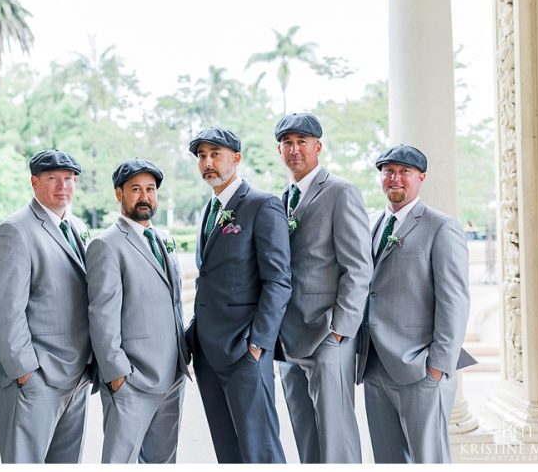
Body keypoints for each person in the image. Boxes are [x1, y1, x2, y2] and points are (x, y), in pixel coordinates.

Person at [356, 144, 476, 463]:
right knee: (388, 459)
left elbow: (455, 300)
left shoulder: (441, 226)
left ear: (421, 177)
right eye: (388, 172)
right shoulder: (372, 224)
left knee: (429, 459)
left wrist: (438, 366)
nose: (395, 179)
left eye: (404, 172)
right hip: (374, 365)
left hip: (421, 368)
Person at [184, 127, 292, 463]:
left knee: (260, 450)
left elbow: (278, 280)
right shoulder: (209, 209)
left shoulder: (263, 205)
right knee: (227, 451)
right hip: (207, 351)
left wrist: (258, 342)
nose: (208, 162)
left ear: (236, 158)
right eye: (202, 156)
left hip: (244, 351)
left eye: (215, 154)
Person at [273, 113, 372, 463]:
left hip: (328, 335)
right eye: (287, 143)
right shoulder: (282, 198)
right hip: (288, 338)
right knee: (305, 434)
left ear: (318, 147)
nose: (294, 149)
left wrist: (340, 330)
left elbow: (358, 268)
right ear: (279, 150)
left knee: (336, 436)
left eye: (302, 142)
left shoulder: (341, 192)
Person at [0, 149, 94, 463]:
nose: (63, 186)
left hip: (76, 376)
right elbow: (6, 310)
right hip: (36, 378)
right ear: (34, 182)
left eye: (69, 179)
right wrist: (25, 373)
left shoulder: (76, 227)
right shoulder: (15, 231)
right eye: (52, 179)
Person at [86, 158, 191, 463]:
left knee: (163, 461)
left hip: (172, 375)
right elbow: (101, 315)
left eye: (150, 189)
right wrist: (118, 375)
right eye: (135, 189)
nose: (145, 196)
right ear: (119, 194)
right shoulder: (107, 245)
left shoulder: (163, 239)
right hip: (132, 379)